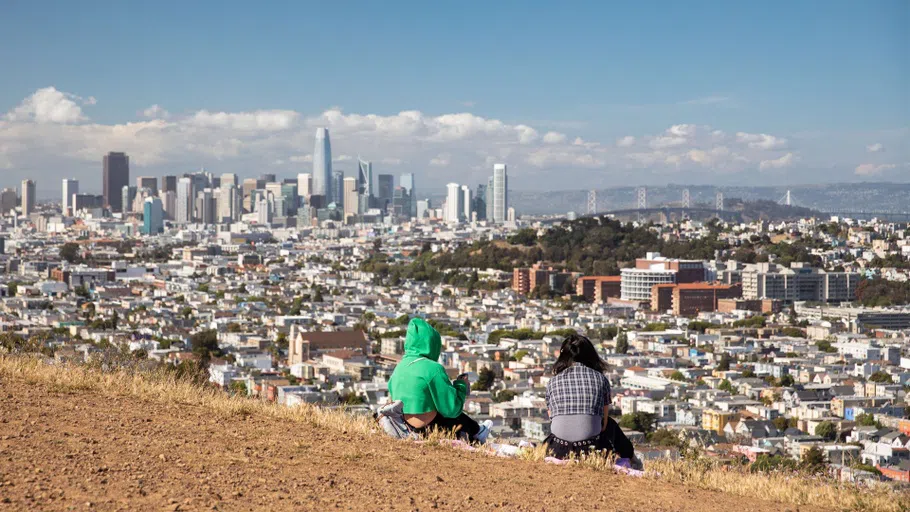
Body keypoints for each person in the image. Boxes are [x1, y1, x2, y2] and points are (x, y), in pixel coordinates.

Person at [388, 317, 492, 443]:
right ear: (432, 344)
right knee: (451, 407)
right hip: (429, 428)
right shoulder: (433, 369)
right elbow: (451, 409)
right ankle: (476, 432)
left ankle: (477, 430)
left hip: (404, 426)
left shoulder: (400, 366)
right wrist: (461, 386)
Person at [544, 334, 635, 461]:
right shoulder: (601, 379)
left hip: (558, 449)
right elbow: (603, 424)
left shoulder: (552, 382)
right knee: (611, 425)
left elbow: (552, 418)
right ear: (591, 355)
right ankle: (631, 458)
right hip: (590, 449)